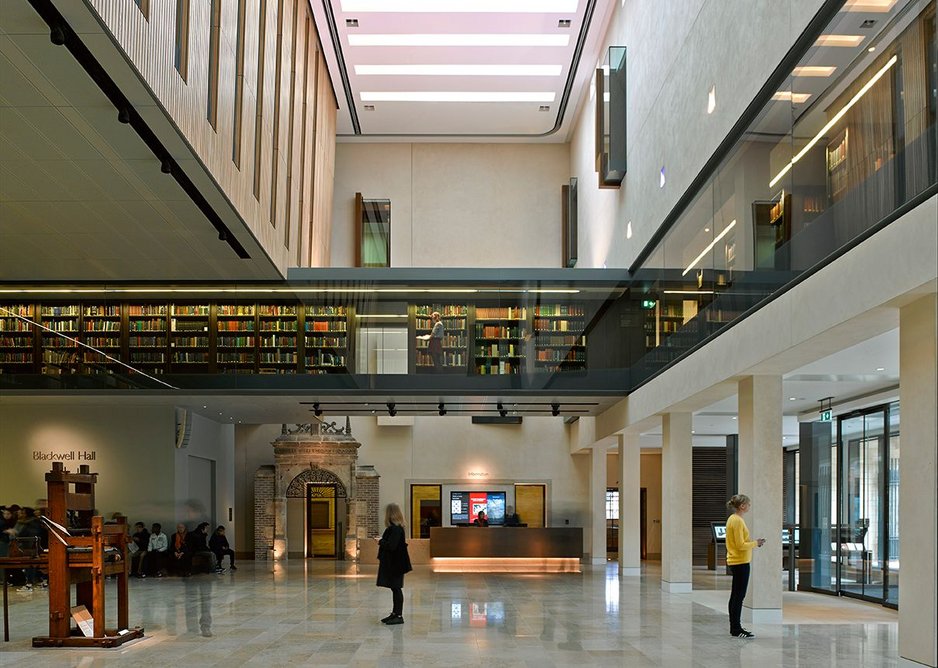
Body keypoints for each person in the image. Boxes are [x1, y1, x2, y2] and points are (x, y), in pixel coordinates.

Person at [725, 494, 765, 639]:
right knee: (738, 596)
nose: (749, 506)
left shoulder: (734, 519)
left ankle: (735, 627)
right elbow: (740, 545)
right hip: (740, 562)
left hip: (737, 561)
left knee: (736, 595)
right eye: (748, 504)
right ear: (742, 506)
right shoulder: (737, 521)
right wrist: (756, 543)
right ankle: (736, 628)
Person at [375, 503, 412, 625]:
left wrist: (380, 541)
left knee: (396, 588)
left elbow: (392, 546)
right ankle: (395, 613)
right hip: (395, 562)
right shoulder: (395, 528)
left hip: (396, 563)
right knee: (394, 588)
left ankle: (399, 615)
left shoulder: (396, 529)